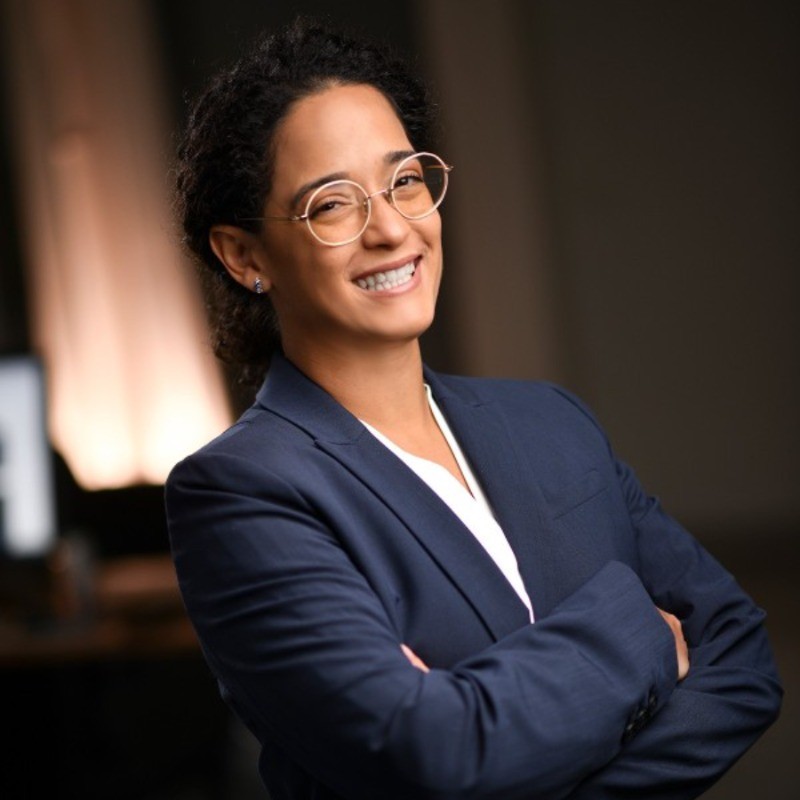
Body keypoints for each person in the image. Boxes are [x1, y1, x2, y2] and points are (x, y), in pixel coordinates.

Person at [165, 17, 781, 800]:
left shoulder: (550, 423)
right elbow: (430, 754)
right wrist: (640, 632)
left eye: (407, 181)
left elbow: (743, 660)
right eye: (332, 204)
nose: (391, 229)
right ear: (245, 255)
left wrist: (503, 730)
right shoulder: (239, 494)